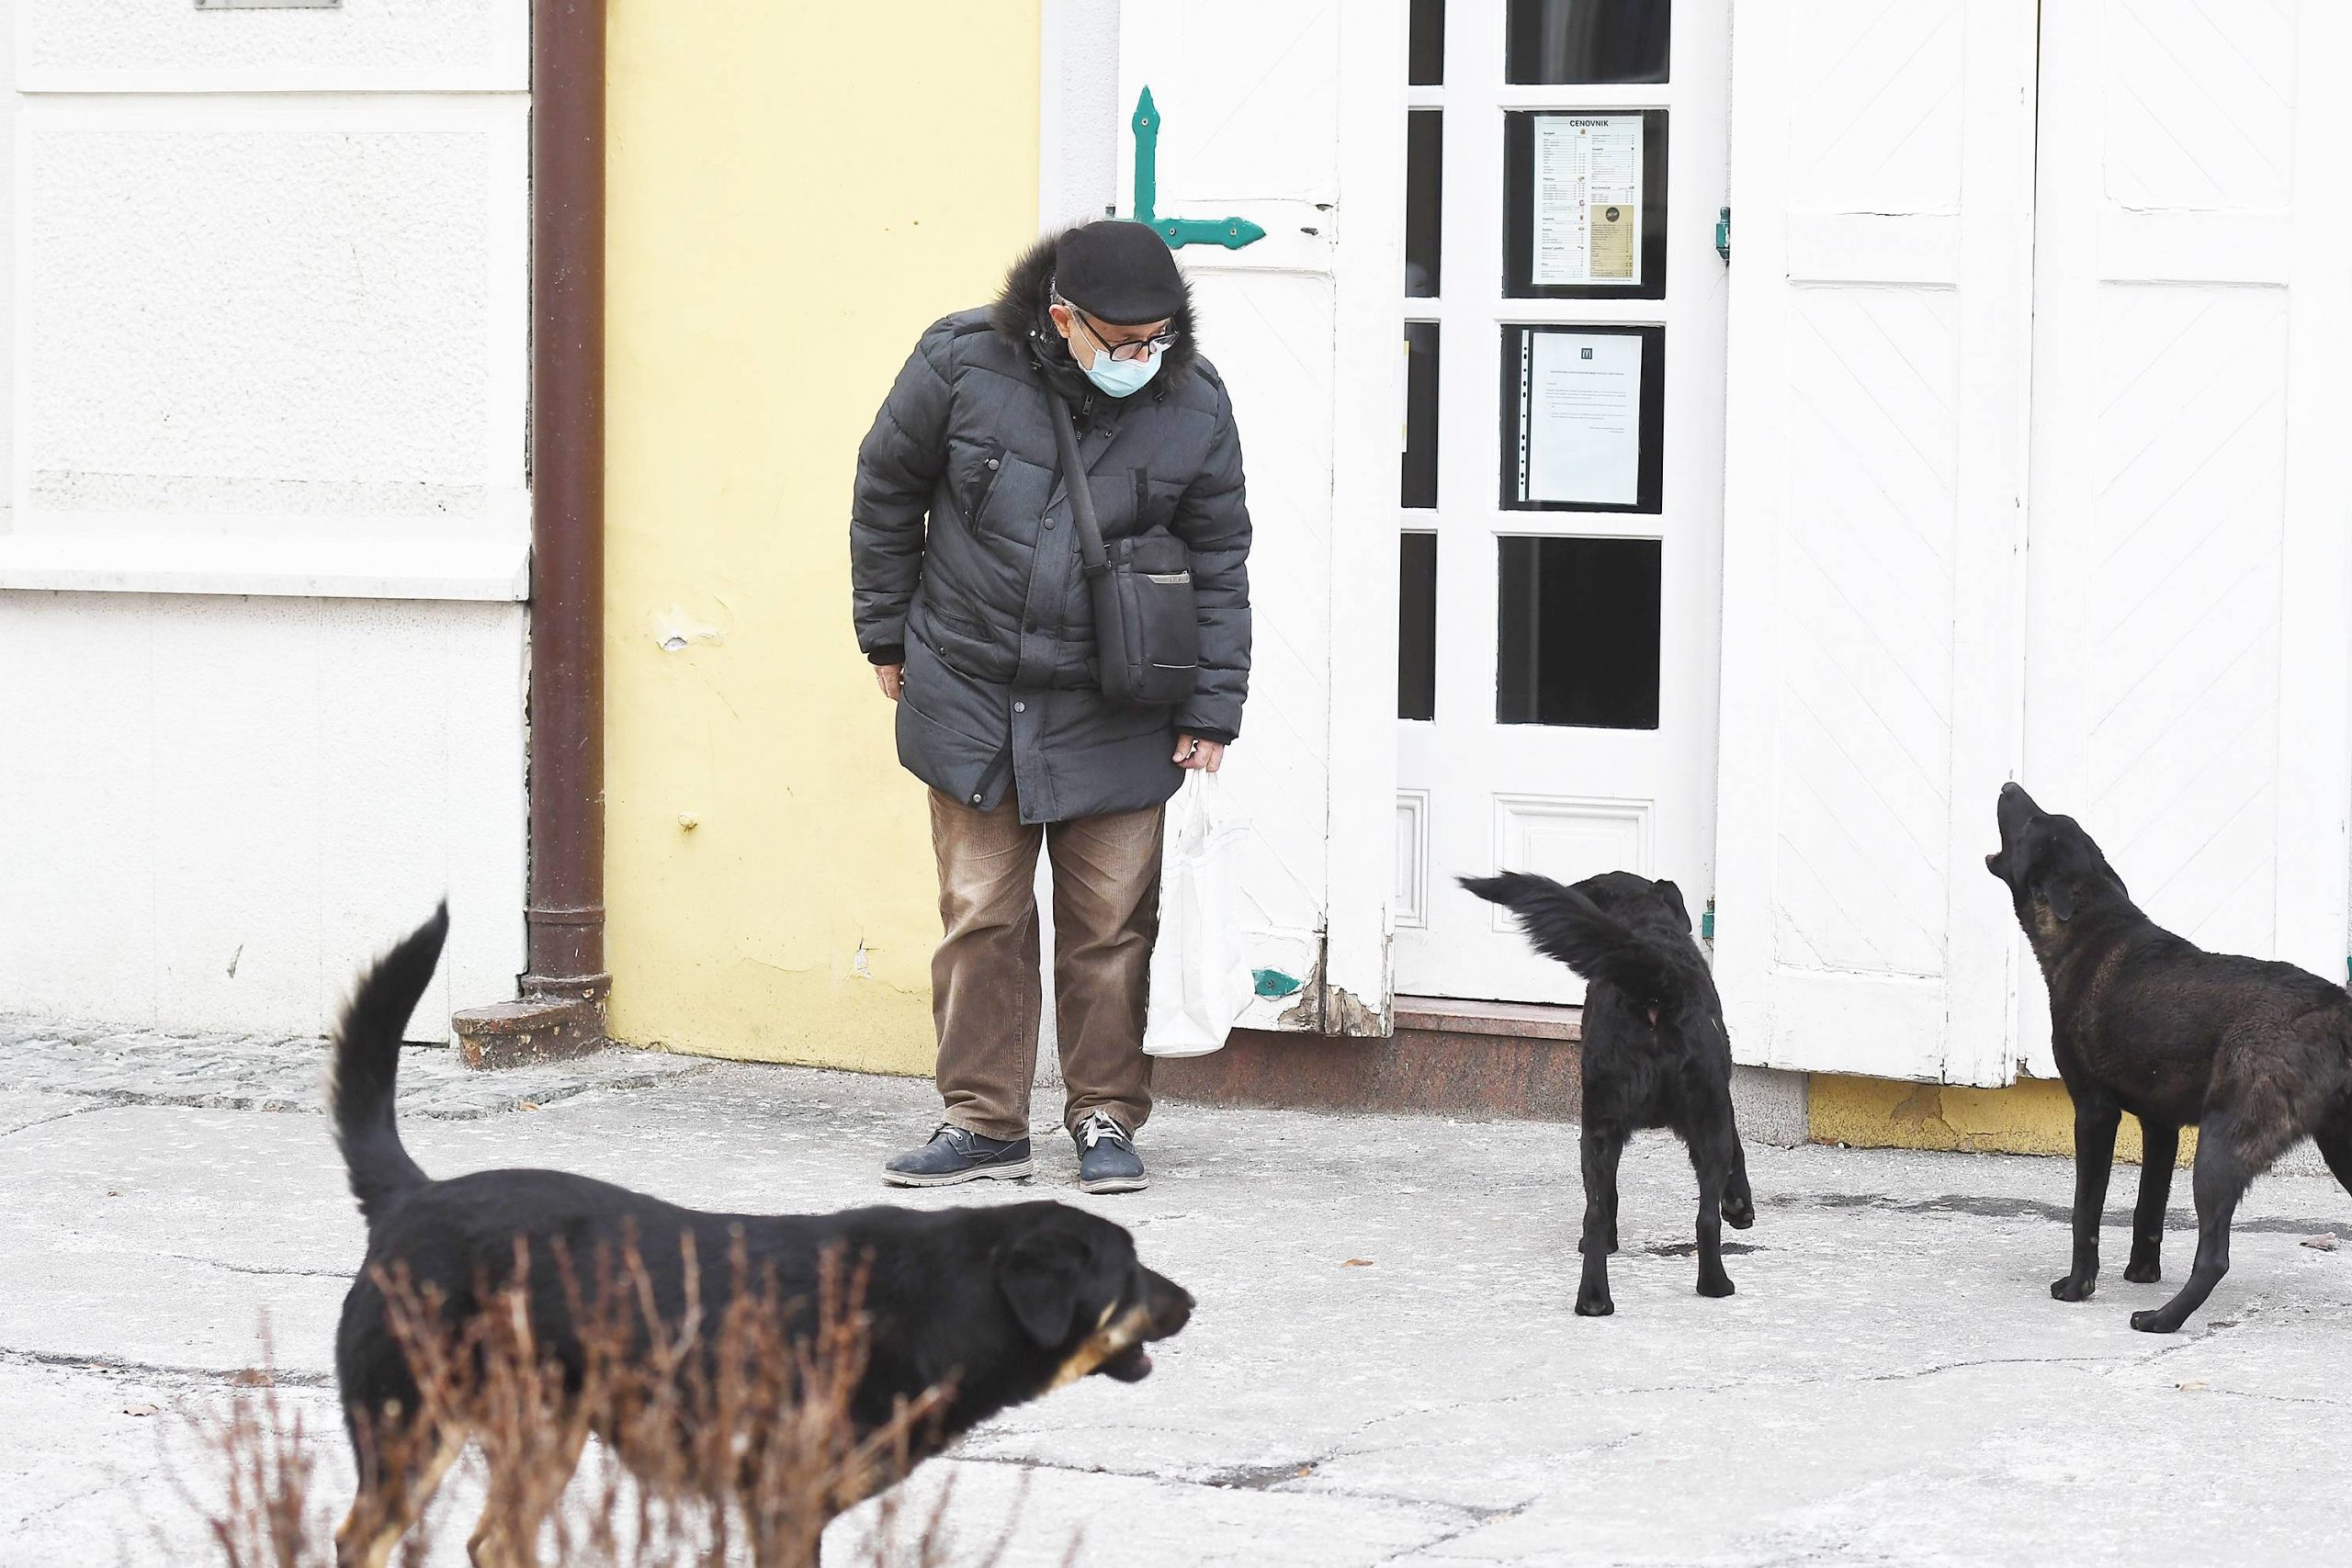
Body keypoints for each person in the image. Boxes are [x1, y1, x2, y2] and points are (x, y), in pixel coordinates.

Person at [849, 220, 1253, 1194]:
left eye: (1159, 337)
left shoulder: (1192, 399)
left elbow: (1220, 559)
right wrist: (886, 636)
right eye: (1123, 341)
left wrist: (1213, 705)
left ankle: (1107, 1117)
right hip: (971, 691)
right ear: (1061, 316)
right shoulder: (958, 360)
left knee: (1110, 929)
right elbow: (885, 490)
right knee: (981, 917)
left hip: (1119, 703)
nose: (1143, 358)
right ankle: (982, 1123)